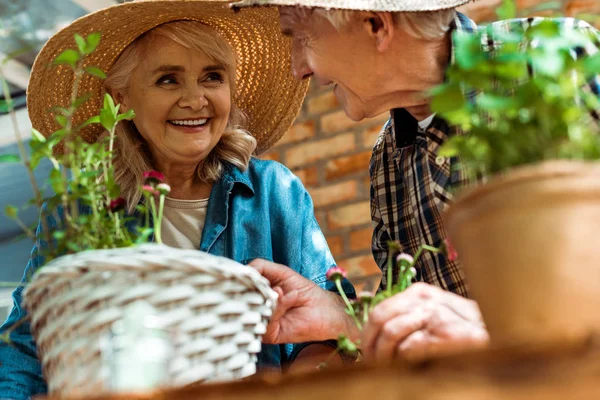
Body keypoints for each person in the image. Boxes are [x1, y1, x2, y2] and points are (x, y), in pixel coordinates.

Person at [0, 1, 354, 398]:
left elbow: (328, 331)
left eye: (212, 77)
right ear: (122, 99)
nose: (195, 99)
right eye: (168, 79)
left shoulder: (274, 191)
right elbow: (24, 349)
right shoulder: (81, 212)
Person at [233, 0, 600, 361]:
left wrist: (493, 328)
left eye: (302, 38)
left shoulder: (554, 60)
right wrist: (338, 315)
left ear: (376, 24)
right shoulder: (388, 158)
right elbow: (422, 324)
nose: (299, 69)